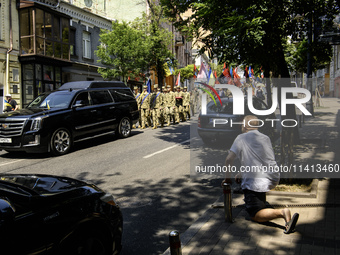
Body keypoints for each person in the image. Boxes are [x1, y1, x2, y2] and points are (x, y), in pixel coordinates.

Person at [222, 115, 299, 234]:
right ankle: (263, 207)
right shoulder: (265, 138)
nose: (241, 126)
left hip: (256, 181)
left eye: (242, 124)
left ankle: (282, 213)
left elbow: (228, 159)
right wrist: (241, 173)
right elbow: (258, 160)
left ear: (246, 125)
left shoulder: (241, 138)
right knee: (258, 200)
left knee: (254, 214)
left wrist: (227, 179)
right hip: (271, 177)